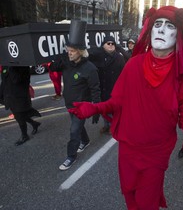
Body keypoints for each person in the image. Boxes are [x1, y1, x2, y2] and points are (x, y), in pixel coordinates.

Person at [69, 6, 183, 209]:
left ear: (178, 35)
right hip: (128, 148)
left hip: (156, 152)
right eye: (157, 24)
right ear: (150, 30)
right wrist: (95, 108)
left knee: (147, 203)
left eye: (169, 26)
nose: (160, 30)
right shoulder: (134, 65)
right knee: (129, 196)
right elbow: (118, 101)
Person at [49, 20, 101, 171]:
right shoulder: (66, 62)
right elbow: (53, 67)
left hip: (81, 106)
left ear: (80, 51)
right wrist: (58, 58)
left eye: (71, 50)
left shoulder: (90, 68)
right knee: (77, 127)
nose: (69, 53)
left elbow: (95, 89)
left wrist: (96, 109)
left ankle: (70, 157)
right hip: (69, 104)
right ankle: (85, 141)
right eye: (68, 50)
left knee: (73, 130)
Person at [89, 35, 126, 134]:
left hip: (114, 89)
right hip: (102, 88)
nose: (110, 45)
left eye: (112, 43)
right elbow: (88, 54)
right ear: (103, 45)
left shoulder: (119, 58)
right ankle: (106, 125)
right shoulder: (98, 56)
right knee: (104, 110)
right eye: (108, 43)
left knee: (113, 110)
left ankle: (113, 126)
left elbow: (124, 74)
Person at [0, 66, 41, 146]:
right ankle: (34, 124)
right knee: (19, 116)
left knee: (19, 117)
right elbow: (4, 81)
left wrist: (11, 68)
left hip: (20, 97)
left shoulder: (23, 67)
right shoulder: (6, 65)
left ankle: (24, 136)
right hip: (9, 96)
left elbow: (16, 80)